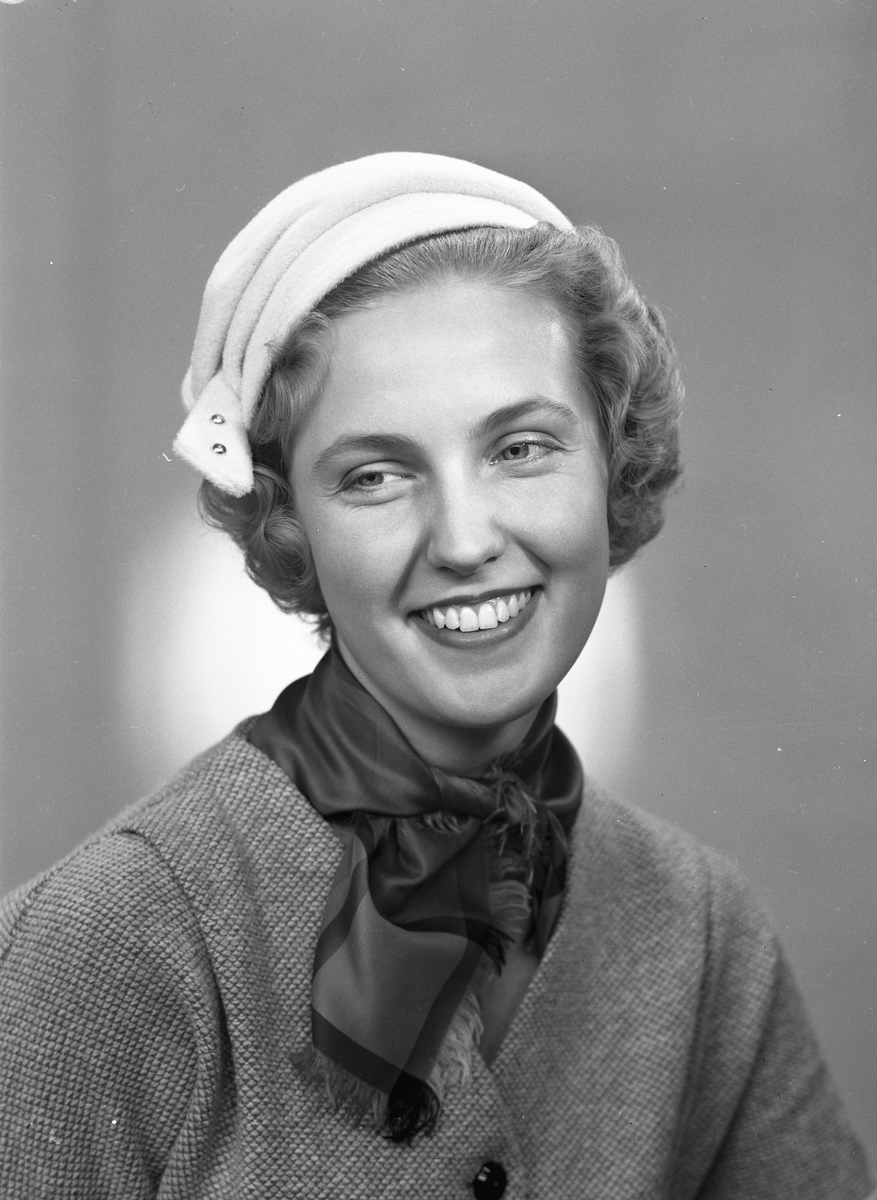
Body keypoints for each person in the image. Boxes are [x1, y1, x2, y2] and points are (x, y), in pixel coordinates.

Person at [0, 152, 872, 1199]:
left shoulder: (699, 929)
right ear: (289, 520)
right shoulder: (99, 948)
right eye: (375, 475)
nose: (464, 540)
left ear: (614, 464)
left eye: (521, 449)